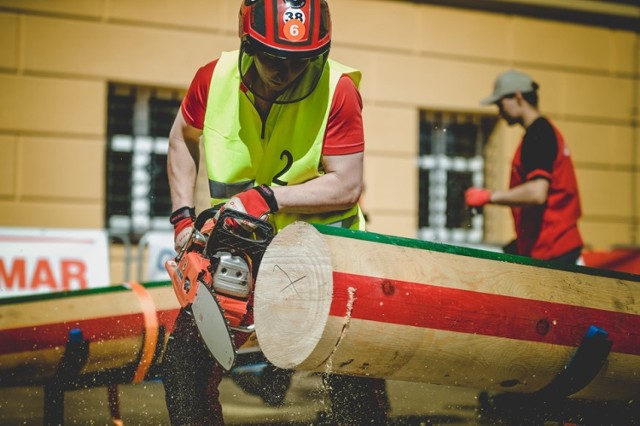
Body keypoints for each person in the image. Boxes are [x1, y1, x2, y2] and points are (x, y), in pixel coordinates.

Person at [162, 0, 388, 424]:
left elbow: (347, 183)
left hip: (323, 254)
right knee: (183, 367)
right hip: (240, 243)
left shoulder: (337, 89)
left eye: (300, 62)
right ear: (247, 41)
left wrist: (266, 198)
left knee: (351, 385)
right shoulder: (213, 78)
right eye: (274, 59)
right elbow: (181, 138)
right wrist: (182, 219)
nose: (286, 72)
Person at [465, 69, 583, 264]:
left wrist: (488, 196)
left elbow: (537, 193)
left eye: (500, 103)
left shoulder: (538, 134)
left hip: (553, 251)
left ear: (518, 97)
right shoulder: (544, 131)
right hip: (553, 245)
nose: (499, 111)